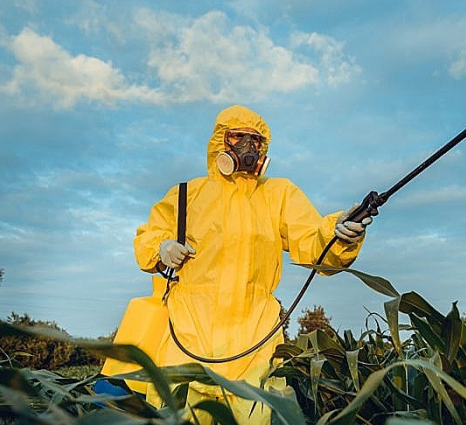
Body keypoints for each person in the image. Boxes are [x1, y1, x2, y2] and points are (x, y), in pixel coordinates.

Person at [108, 105, 372, 424]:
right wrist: (161, 247)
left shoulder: (279, 195)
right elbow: (148, 236)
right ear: (221, 141)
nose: (248, 147)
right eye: (238, 137)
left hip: (256, 349)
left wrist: (339, 233)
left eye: (256, 141)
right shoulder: (186, 194)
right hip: (187, 343)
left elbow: (314, 240)